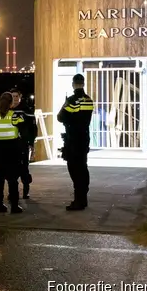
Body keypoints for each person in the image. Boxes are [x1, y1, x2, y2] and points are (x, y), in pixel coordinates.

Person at [56, 73, 94, 210]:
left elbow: (60, 117)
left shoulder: (72, 100)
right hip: (84, 138)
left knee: (74, 169)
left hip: (73, 139)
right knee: (83, 167)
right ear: (83, 84)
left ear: (73, 84)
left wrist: (68, 117)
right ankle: (83, 197)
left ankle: (78, 200)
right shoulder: (89, 100)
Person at [0, 92, 25, 213]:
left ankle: (0, 205)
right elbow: (23, 130)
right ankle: (14, 206)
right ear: (11, 103)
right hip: (12, 150)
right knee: (12, 179)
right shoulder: (14, 116)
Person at [10, 87, 37, 199]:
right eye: (13, 96)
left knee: (24, 167)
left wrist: (31, 142)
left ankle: (26, 190)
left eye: (17, 96)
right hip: (10, 144)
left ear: (20, 97)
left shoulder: (26, 110)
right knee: (11, 168)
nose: (15, 99)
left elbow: (33, 127)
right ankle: (12, 192)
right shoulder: (6, 110)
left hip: (23, 143)